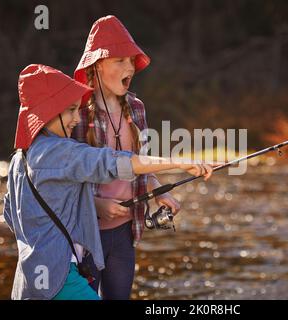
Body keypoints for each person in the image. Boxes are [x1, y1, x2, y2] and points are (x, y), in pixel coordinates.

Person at [3, 64, 214, 300]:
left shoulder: (20, 157)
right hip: (60, 281)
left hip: (28, 281)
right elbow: (114, 162)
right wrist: (177, 163)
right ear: (49, 113)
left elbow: (12, 214)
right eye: (71, 110)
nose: (76, 118)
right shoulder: (60, 151)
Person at [72, 15, 183, 299]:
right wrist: (96, 204)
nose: (130, 67)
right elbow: (64, 175)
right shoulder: (75, 112)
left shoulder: (137, 108)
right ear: (97, 65)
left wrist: (158, 191)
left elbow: (141, 164)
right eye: (120, 61)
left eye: (132, 61)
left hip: (125, 232)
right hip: (85, 235)